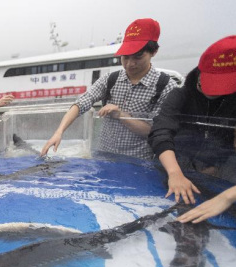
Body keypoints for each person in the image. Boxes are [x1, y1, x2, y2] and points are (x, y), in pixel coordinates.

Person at [41, 18, 177, 160]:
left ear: (154, 51)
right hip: (103, 157)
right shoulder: (110, 79)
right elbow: (83, 102)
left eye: (138, 57)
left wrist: (121, 115)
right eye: (125, 57)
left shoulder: (166, 87)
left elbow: (156, 132)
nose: (130, 64)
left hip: (139, 162)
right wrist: (59, 132)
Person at [148, 35, 236, 204]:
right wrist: (174, 173)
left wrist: (219, 168)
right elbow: (160, 131)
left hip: (220, 171)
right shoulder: (180, 95)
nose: (214, 92)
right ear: (199, 74)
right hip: (176, 166)